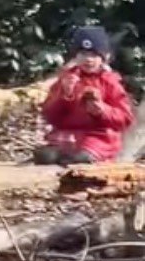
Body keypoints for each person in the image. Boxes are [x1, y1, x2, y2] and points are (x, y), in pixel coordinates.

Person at [33, 26, 134, 165]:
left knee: (81, 159)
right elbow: (50, 115)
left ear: (105, 57)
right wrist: (65, 95)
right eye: (83, 54)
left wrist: (102, 110)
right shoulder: (66, 79)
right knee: (45, 156)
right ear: (75, 56)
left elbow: (125, 118)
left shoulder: (110, 82)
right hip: (67, 135)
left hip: (98, 138)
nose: (88, 59)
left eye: (94, 55)